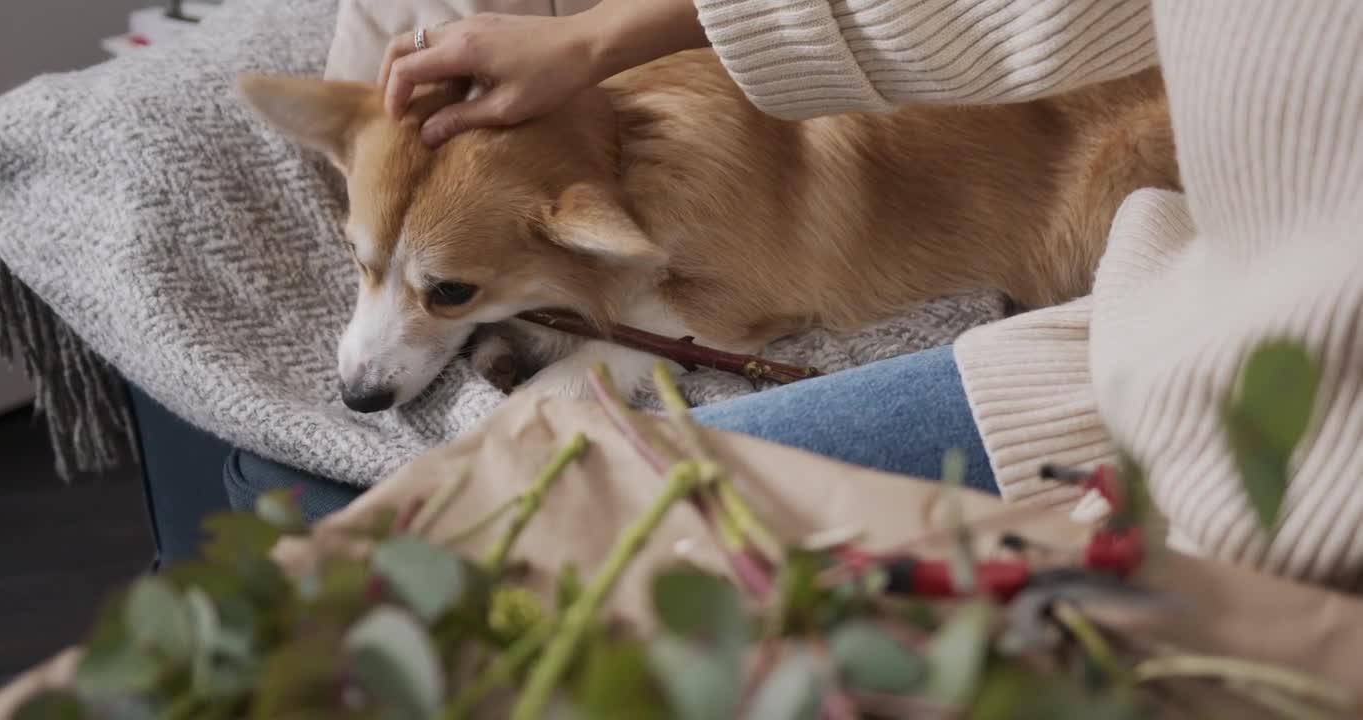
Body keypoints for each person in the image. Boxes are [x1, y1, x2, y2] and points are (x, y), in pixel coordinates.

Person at [245, 0, 1363, 587]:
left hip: (1230, 404)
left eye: (445, 292)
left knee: (514, 540)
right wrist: (594, 36)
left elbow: (729, 311)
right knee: (427, 539)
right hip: (1158, 347)